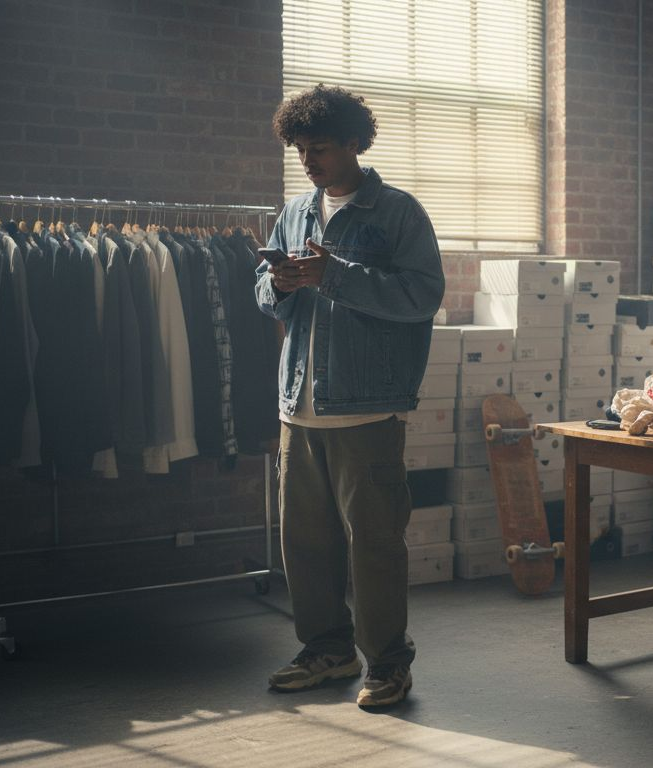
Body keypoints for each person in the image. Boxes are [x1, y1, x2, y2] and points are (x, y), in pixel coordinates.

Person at [256, 85, 445, 708]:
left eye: (320, 149)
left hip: (367, 408)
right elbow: (266, 296)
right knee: (304, 544)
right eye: (300, 150)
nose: (308, 161)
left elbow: (421, 298)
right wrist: (280, 283)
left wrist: (330, 275)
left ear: (356, 144)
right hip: (298, 406)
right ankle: (327, 651)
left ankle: (388, 663)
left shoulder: (398, 213)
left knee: (375, 546)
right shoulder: (293, 212)